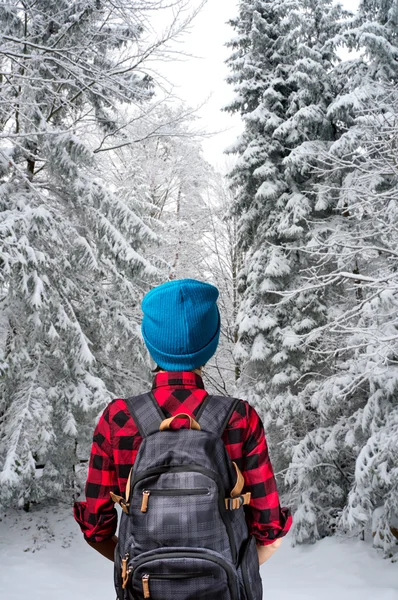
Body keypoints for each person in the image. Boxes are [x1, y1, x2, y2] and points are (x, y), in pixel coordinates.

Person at [74, 278, 292, 568]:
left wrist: (133, 568)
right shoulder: (240, 417)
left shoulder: (118, 418)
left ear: (151, 342)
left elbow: (95, 531)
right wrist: (234, 573)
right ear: (211, 342)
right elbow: (270, 534)